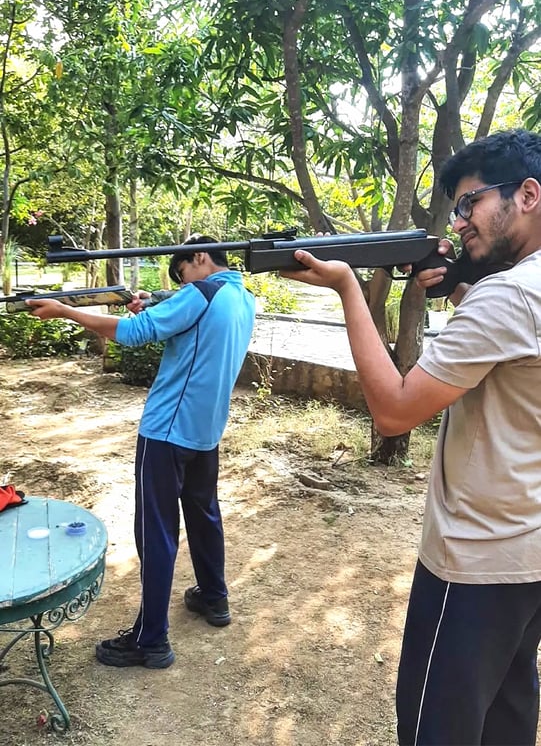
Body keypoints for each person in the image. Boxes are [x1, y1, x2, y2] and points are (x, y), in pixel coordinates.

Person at [281, 128, 541, 745]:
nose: (459, 222)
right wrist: (456, 284)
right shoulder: (515, 290)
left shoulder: (508, 296)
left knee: (436, 730)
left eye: (469, 203)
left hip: (472, 561)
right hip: (527, 549)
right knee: (505, 718)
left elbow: (394, 413)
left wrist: (350, 287)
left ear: (527, 195)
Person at [28, 235, 256, 669]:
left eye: (182, 272)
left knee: (157, 531)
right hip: (206, 433)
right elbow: (188, 308)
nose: (182, 282)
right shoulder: (241, 296)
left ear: (200, 258)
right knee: (205, 515)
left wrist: (65, 310)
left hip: (167, 431)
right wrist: (160, 299)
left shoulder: (200, 294)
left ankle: (150, 640)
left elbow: (133, 333)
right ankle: (214, 597)